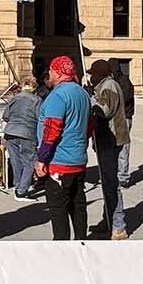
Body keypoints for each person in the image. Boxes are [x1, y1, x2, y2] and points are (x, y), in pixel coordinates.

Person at [34, 56, 92, 240]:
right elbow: (90, 125)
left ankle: (62, 245)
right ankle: (82, 242)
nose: (49, 74)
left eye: (51, 70)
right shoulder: (82, 93)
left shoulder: (57, 96)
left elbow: (51, 129)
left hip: (59, 162)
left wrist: (42, 159)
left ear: (57, 73)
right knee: (78, 204)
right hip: (79, 159)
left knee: (58, 208)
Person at [86, 60, 130, 240]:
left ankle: (119, 226)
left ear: (100, 73)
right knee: (107, 183)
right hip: (108, 139)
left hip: (110, 140)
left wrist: (91, 100)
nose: (90, 77)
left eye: (92, 73)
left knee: (111, 184)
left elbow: (105, 111)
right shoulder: (105, 85)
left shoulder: (109, 86)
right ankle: (109, 218)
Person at [1, 76, 44, 202]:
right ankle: (21, 191)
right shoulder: (36, 100)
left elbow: (6, 116)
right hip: (26, 132)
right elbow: (40, 118)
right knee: (29, 162)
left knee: (16, 161)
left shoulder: (15, 98)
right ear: (34, 88)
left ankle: (18, 185)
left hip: (10, 131)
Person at [109, 58, 137, 187]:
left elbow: (124, 98)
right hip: (114, 117)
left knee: (122, 147)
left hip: (123, 117)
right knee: (113, 147)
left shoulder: (123, 81)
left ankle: (123, 176)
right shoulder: (113, 82)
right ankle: (114, 173)